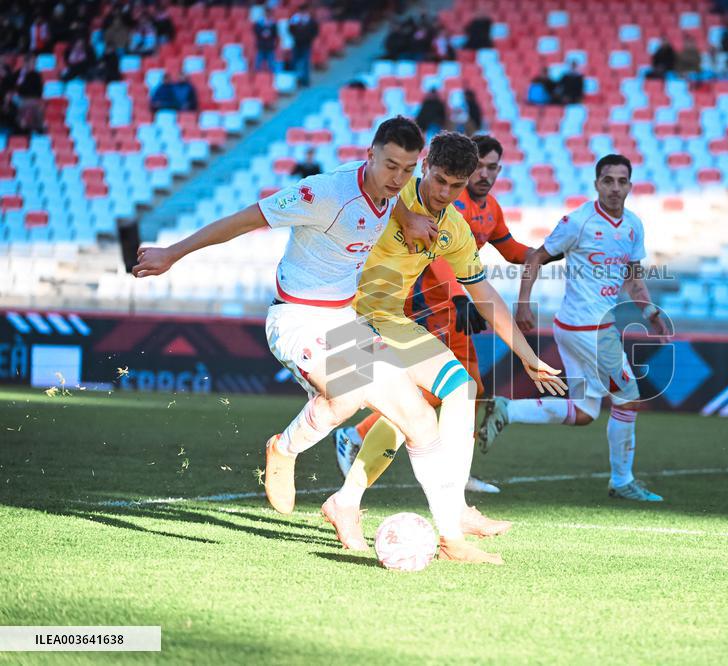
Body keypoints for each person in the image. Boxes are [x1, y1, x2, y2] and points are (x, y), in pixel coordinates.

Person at [131, 117, 501, 563]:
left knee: (419, 419)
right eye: (390, 166)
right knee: (348, 391)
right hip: (297, 320)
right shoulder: (322, 193)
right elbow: (245, 219)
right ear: (369, 154)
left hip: (344, 324)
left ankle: (451, 540)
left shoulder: (394, 193)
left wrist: (407, 216)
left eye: (407, 169)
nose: (398, 178)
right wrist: (172, 253)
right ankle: (283, 449)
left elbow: (388, 203)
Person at [324, 132, 566, 562]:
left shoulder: (453, 227)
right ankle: (436, 517)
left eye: (456, 186)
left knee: (458, 388)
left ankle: (419, 511)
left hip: (388, 319)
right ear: (424, 167)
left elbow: (485, 294)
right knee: (394, 409)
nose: (444, 193)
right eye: (439, 180)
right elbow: (361, 181)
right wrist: (404, 216)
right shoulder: (390, 190)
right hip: (340, 319)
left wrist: (528, 357)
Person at [477, 155, 671, 502]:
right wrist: (524, 303)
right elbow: (537, 256)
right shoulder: (578, 221)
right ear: (596, 184)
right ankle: (622, 481)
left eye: (621, 181)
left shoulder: (633, 226)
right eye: (608, 180)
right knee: (628, 398)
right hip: (589, 329)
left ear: (630, 185)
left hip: (576, 327)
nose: (615, 188)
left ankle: (508, 408)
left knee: (584, 412)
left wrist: (648, 310)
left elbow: (633, 277)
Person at [289, 4, 318, 87]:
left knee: (305, 63)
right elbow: (290, 29)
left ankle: (305, 81)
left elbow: (315, 31)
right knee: (295, 62)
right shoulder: (295, 19)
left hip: (306, 44)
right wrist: (295, 36)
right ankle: (296, 80)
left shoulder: (310, 20)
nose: (302, 12)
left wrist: (309, 39)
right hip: (297, 43)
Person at [14, 55, 44, 135]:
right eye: (31, 63)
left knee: (36, 106)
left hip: (32, 99)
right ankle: (21, 128)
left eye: (34, 63)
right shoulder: (18, 74)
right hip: (19, 98)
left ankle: (36, 128)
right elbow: (14, 88)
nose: (33, 65)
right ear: (25, 63)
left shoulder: (36, 75)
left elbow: (39, 91)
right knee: (20, 104)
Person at [253, 9, 279, 73]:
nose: (268, 14)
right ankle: (256, 75)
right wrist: (262, 34)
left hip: (270, 45)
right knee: (258, 63)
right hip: (261, 45)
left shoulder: (273, 23)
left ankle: (272, 76)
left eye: (269, 13)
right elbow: (256, 31)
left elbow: (275, 34)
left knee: (271, 63)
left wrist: (269, 34)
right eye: (267, 13)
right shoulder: (259, 22)